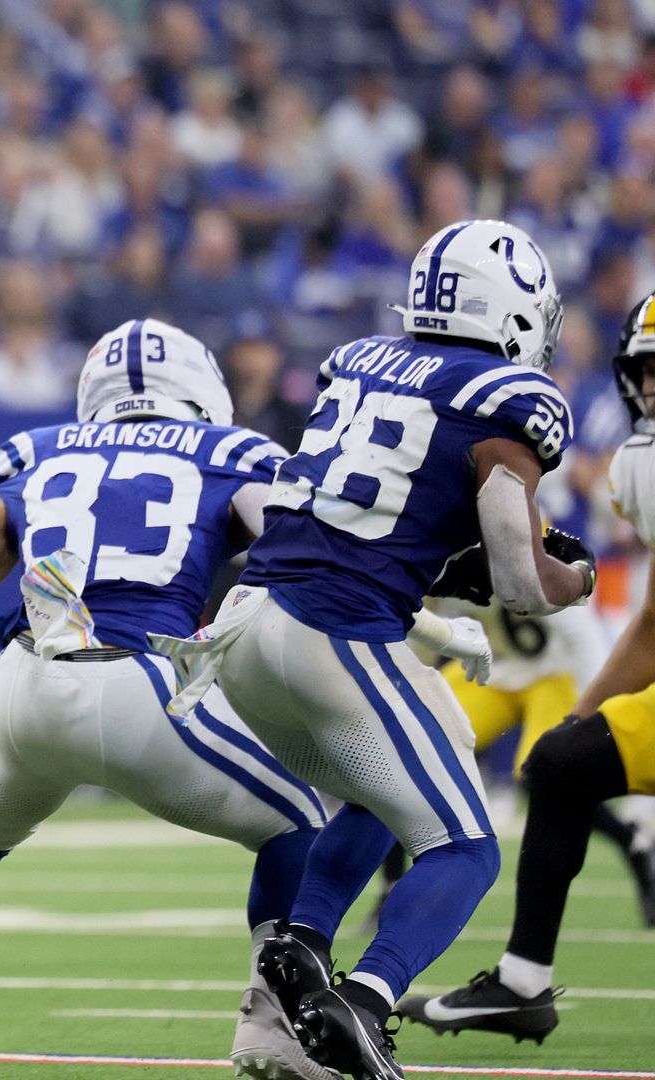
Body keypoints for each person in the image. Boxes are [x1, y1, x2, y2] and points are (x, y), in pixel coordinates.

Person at [0, 320, 483, 1080]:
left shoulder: (38, 453)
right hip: (138, 678)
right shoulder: (229, 455)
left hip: (25, 684)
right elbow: (314, 561)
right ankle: (269, 1025)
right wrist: (434, 620)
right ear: (200, 392)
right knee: (303, 822)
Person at [151, 220, 594, 1080]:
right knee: (467, 846)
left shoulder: (357, 362)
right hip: (335, 634)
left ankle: (305, 941)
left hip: (246, 624)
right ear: (511, 313)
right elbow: (521, 583)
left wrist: (457, 564)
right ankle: (366, 998)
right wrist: (570, 575)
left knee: (382, 785)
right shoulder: (507, 399)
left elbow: (386, 519)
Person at [400, 291, 655, 1043]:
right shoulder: (642, 467)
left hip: (538, 666)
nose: (650, 390)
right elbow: (651, 622)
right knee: (560, 764)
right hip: (510, 677)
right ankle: (521, 985)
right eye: (645, 371)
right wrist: (581, 722)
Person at [373, 600, 655, 929]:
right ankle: (391, 884)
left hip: (554, 673)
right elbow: (425, 620)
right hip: (495, 667)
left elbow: (582, 635)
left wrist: (590, 713)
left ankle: (632, 843)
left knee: (541, 773)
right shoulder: (450, 555)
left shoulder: (533, 555)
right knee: (405, 747)